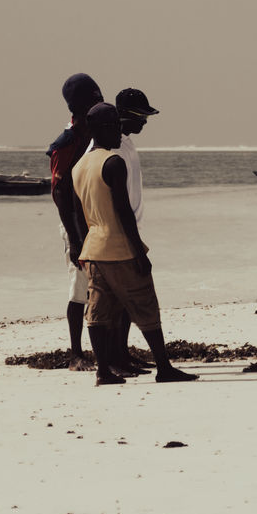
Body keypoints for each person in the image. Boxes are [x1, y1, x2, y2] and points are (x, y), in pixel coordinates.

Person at [72, 102, 197, 386]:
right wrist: (139, 251)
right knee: (145, 306)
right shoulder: (113, 162)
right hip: (119, 248)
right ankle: (164, 367)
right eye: (115, 126)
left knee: (98, 312)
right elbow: (123, 212)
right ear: (102, 129)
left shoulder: (79, 166)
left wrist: (82, 249)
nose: (120, 131)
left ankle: (103, 372)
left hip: (93, 250)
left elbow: (79, 215)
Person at [90, 88, 160, 374]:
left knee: (123, 303)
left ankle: (122, 354)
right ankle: (114, 360)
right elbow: (113, 200)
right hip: (117, 234)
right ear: (125, 116)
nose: (144, 122)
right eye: (141, 117)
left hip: (131, 230)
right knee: (119, 302)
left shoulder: (126, 143)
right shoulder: (111, 148)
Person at [46, 73, 104, 370]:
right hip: (74, 224)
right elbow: (58, 193)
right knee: (79, 288)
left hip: (93, 220)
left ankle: (103, 350)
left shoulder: (88, 136)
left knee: (98, 286)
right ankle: (75, 354)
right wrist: (74, 237)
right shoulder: (66, 143)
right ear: (78, 111)